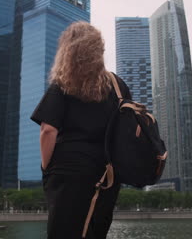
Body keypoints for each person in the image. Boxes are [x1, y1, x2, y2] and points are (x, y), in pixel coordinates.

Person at [31, 21, 131, 239]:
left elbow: (48, 131)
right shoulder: (117, 85)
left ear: (68, 49)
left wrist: (46, 168)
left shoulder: (65, 83)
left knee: (64, 231)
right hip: (108, 174)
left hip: (69, 172)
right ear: (99, 50)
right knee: (96, 230)